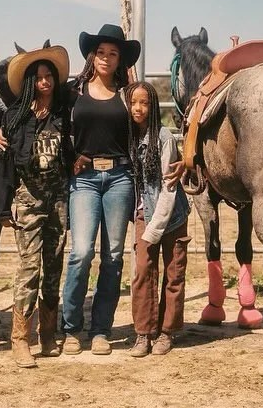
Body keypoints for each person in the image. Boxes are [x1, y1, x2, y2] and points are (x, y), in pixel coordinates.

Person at [0, 43, 74, 368]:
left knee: (54, 264)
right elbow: (4, 163)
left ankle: (49, 333)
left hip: (59, 198)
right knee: (29, 266)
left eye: (49, 76)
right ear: (30, 82)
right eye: (39, 78)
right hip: (28, 199)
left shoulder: (64, 110)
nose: (45, 82)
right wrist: (1, 207)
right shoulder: (15, 117)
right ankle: (20, 339)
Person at [62, 24, 139, 355]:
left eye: (114, 53)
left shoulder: (127, 94)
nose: (107, 58)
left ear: (119, 60)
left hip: (120, 177)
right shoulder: (72, 92)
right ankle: (70, 328)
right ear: (92, 56)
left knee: (113, 256)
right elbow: (44, 122)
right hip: (84, 180)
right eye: (102, 52)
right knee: (80, 253)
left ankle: (101, 330)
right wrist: (3, 131)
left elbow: (148, 127)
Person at [125, 82, 191, 357]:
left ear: (152, 107)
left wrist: (155, 228)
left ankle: (166, 331)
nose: (138, 108)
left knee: (173, 274)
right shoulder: (127, 136)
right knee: (142, 271)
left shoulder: (163, 137)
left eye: (145, 103)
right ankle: (143, 332)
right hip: (144, 212)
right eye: (134, 103)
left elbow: (169, 187)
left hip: (171, 215)